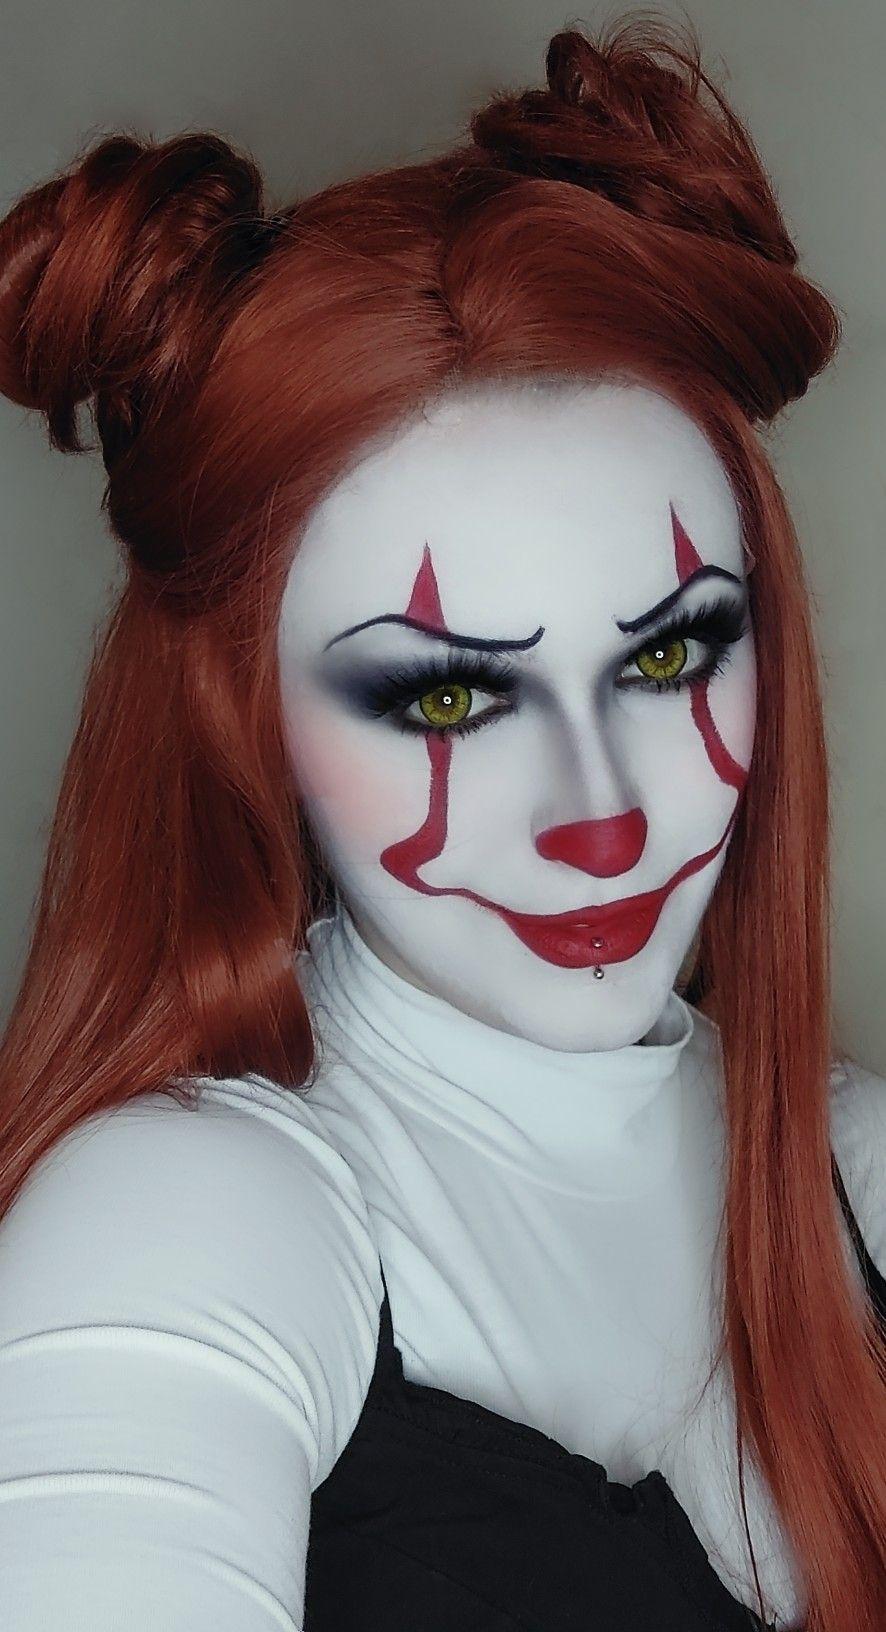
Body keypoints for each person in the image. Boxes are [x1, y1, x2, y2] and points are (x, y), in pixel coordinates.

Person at [0, 16, 883, 1632]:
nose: (599, 821)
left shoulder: (857, 1168)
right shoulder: (182, 1228)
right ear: (247, 718)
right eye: (452, 697)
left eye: (667, 658)